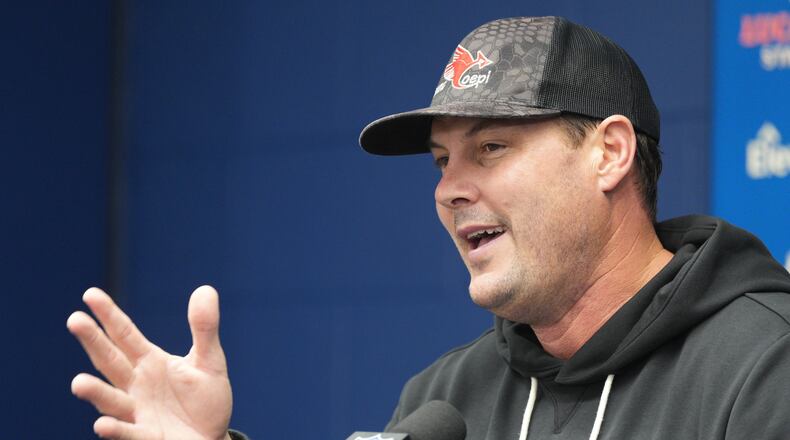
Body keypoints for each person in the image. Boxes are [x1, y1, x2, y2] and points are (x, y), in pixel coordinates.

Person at [69, 16, 790, 439]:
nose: (449, 189)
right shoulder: (442, 402)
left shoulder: (762, 367)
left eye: (490, 149)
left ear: (609, 153)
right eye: (443, 161)